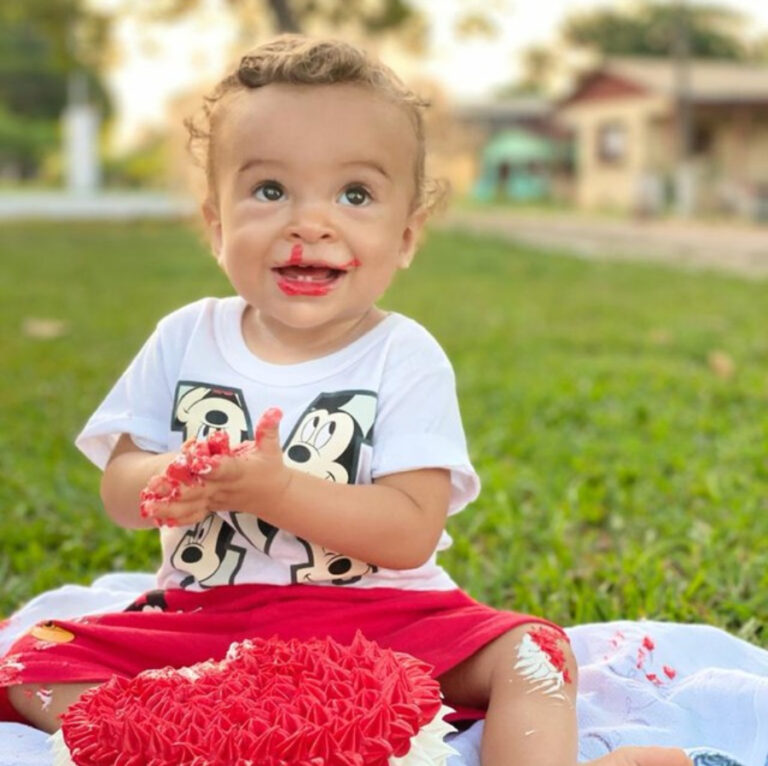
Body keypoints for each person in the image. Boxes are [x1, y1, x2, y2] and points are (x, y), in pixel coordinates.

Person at [0, 35, 692, 766]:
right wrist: (167, 480)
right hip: (210, 621)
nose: (310, 222)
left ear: (406, 237)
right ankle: (193, 729)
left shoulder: (404, 355)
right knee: (31, 667)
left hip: (382, 623)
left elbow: (408, 533)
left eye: (354, 194)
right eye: (270, 191)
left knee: (534, 655)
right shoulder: (184, 336)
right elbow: (119, 484)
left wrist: (278, 490)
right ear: (215, 225)